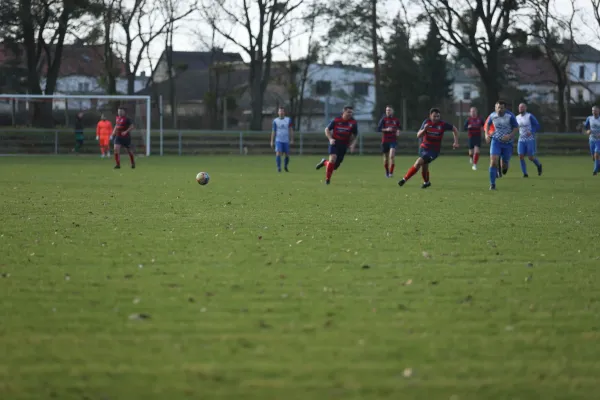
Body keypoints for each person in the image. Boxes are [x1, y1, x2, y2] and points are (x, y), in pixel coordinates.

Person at [398, 108, 459, 189]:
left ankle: (404, 179)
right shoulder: (426, 122)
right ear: (430, 116)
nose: (436, 118)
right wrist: (424, 130)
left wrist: (456, 142)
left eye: (438, 116)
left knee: (419, 162)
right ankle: (426, 182)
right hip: (423, 148)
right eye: (434, 116)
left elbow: (454, 129)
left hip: (433, 151)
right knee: (424, 166)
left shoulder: (442, 124)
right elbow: (418, 135)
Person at [315, 106, 358, 184]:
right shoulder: (336, 120)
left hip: (344, 145)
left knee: (334, 167)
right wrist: (330, 139)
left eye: (351, 112)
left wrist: (352, 144)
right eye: (348, 112)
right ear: (344, 112)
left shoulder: (353, 123)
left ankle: (324, 162)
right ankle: (327, 180)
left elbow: (355, 135)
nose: (350, 114)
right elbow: (327, 129)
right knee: (333, 159)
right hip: (334, 143)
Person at [485, 100, 519, 190]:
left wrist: (510, 136)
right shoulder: (492, 115)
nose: (500, 109)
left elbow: (516, 127)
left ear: (505, 108)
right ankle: (492, 184)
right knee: (493, 162)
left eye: (502, 108)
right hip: (496, 141)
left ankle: (505, 165)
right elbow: (487, 125)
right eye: (498, 107)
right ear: (495, 108)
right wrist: (487, 135)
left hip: (507, 143)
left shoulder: (510, 116)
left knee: (504, 165)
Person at [516, 103, 542, 177]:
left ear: (525, 108)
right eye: (520, 107)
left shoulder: (529, 116)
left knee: (530, 157)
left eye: (522, 107)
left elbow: (537, 125)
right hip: (521, 139)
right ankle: (525, 173)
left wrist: (531, 131)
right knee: (520, 156)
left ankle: (539, 165)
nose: (521, 109)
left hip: (529, 139)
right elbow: (514, 126)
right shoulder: (517, 117)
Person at [377, 105, 402, 177]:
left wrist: (398, 131)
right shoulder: (383, 119)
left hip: (393, 141)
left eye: (389, 110)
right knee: (386, 158)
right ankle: (387, 172)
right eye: (387, 110)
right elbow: (379, 129)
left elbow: (399, 128)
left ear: (392, 111)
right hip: (385, 141)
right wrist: (386, 129)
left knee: (392, 156)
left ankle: (391, 173)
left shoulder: (396, 120)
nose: (388, 111)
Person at [270, 107, 294, 172]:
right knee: (278, 153)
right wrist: (272, 141)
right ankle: (279, 168)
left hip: (286, 140)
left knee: (287, 154)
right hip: (278, 140)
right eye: (280, 111)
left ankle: (285, 166)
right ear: (278, 112)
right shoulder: (275, 121)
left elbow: (291, 129)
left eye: (282, 111)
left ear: (284, 112)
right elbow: (273, 131)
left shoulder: (288, 120)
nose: (281, 113)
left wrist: (292, 139)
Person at [584, 105, 600, 175]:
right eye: (593, 110)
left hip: (599, 140)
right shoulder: (589, 118)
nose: (594, 112)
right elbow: (586, 128)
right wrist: (588, 131)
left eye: (595, 110)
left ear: (598, 111)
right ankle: (598, 166)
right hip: (592, 139)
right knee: (593, 157)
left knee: (597, 154)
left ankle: (595, 171)